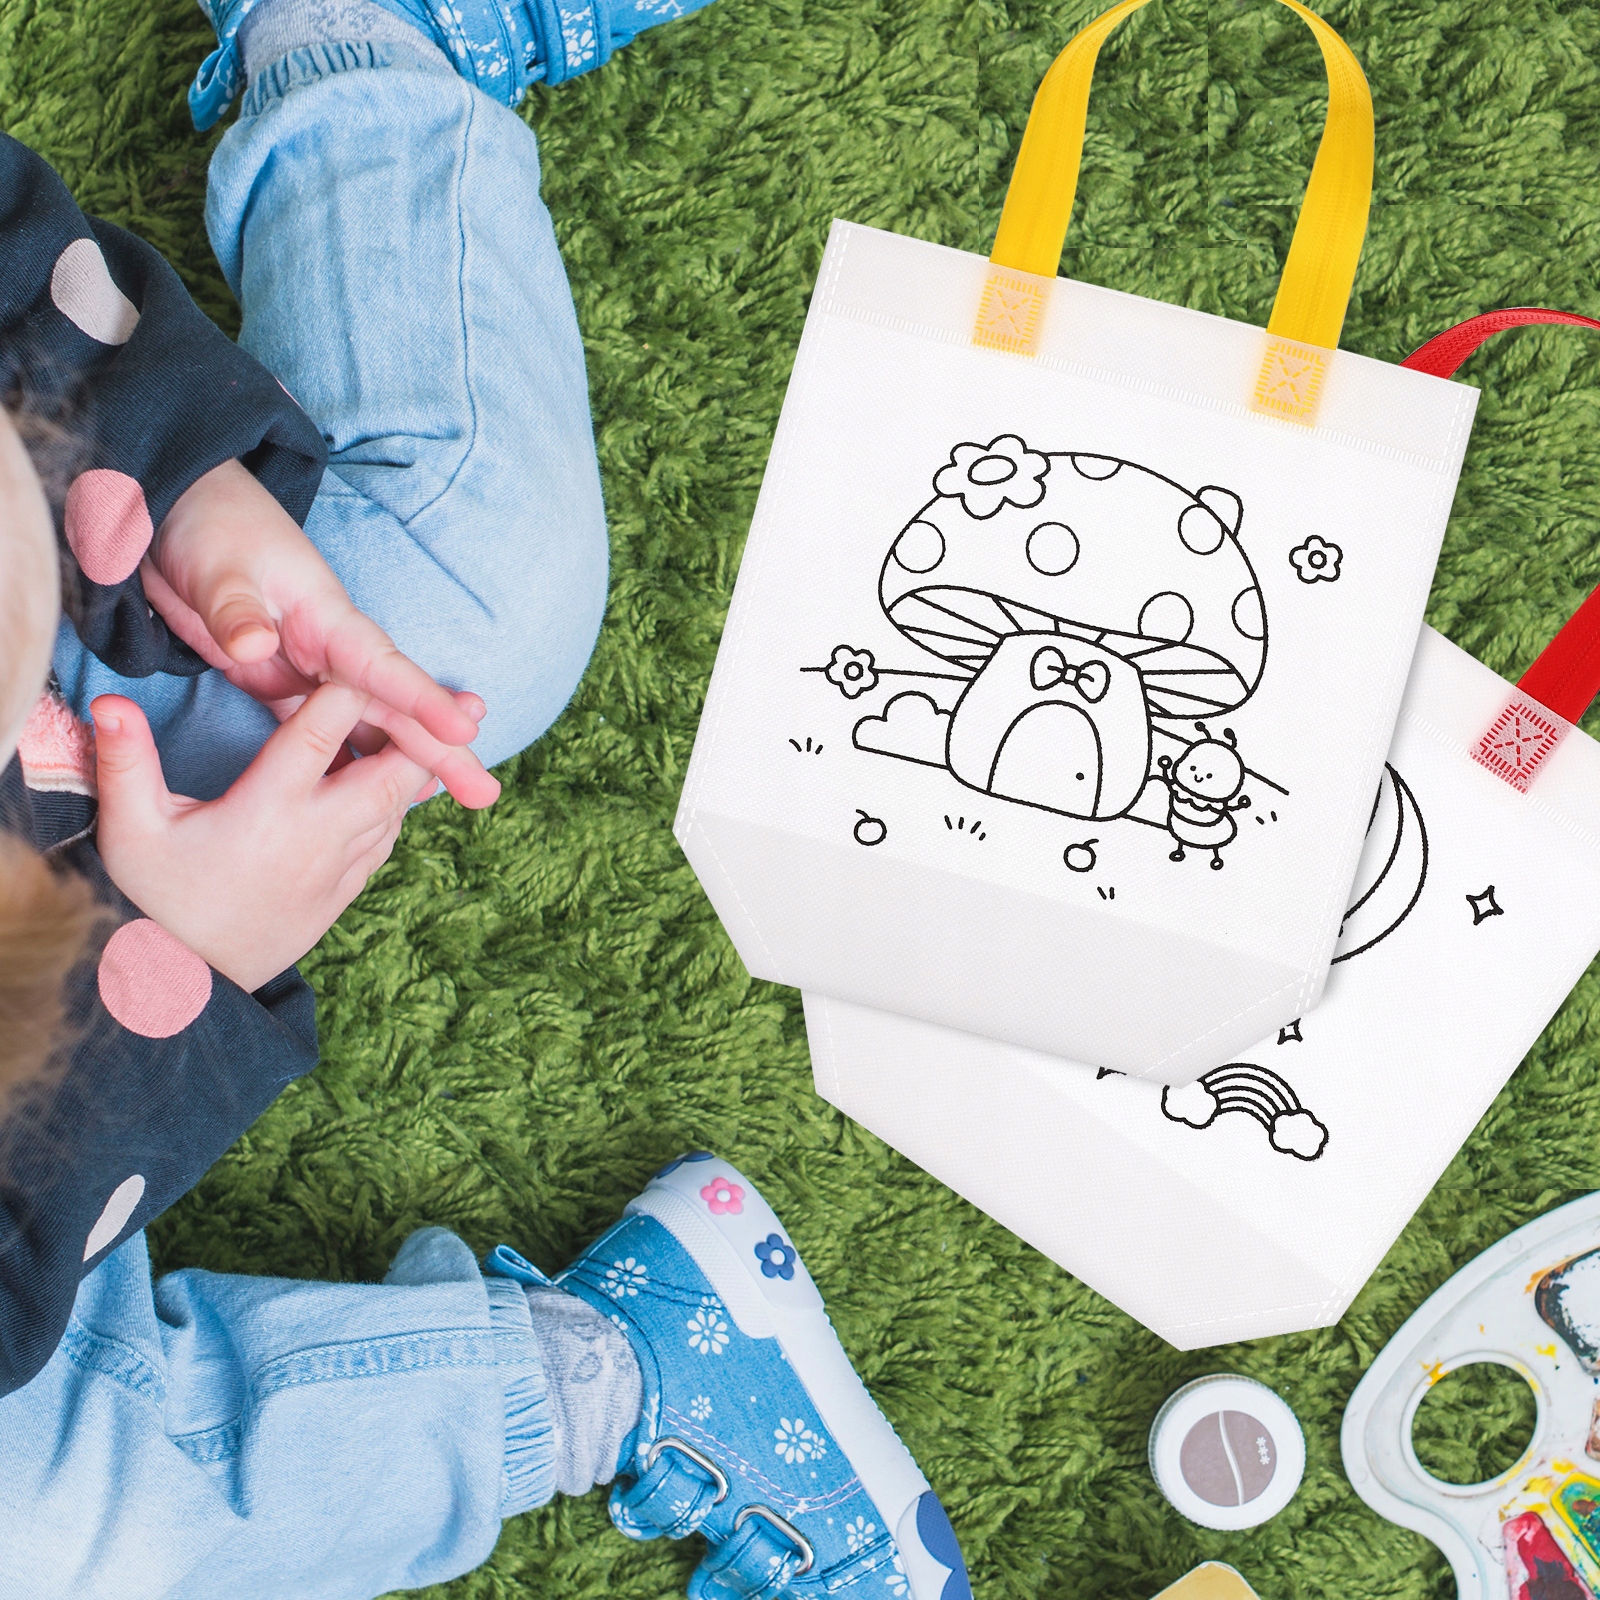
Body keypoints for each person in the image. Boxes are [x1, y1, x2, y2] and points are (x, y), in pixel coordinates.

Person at [0, 0, 973, 1595]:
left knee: (483, 596)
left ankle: (351, 44)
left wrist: (172, 491)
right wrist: (170, 965)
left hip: (87, 684)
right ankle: (612, 1368)